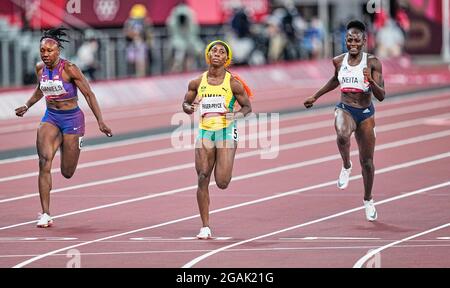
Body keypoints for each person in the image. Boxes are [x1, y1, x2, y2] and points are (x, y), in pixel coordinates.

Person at [15, 27, 112, 228]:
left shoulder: (70, 69)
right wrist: (26, 105)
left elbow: (89, 94)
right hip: (51, 117)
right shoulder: (40, 68)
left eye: (49, 51)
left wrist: (100, 122)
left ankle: (66, 144)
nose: (46, 54)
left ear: (58, 51)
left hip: (72, 120)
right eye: (43, 51)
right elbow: (40, 90)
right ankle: (45, 213)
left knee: (67, 172)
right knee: (44, 162)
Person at [303, 20, 385, 221]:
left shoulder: (373, 62)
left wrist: (371, 81)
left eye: (357, 39)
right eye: (349, 39)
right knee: (342, 134)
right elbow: (335, 79)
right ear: (345, 41)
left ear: (364, 41)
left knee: (367, 163)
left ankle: (368, 200)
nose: (353, 42)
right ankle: (346, 165)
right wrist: (315, 96)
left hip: (365, 113)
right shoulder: (339, 61)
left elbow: (381, 95)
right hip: (345, 108)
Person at [182, 40, 252, 239]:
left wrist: (236, 115)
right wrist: (188, 107)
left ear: (226, 59)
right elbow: (186, 103)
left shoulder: (233, 83)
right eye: (214, 50)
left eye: (222, 52)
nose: (217, 54)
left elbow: (247, 108)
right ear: (208, 55)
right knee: (202, 177)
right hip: (205, 132)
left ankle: (225, 160)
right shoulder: (197, 82)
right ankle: (205, 226)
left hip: (226, 132)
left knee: (222, 182)